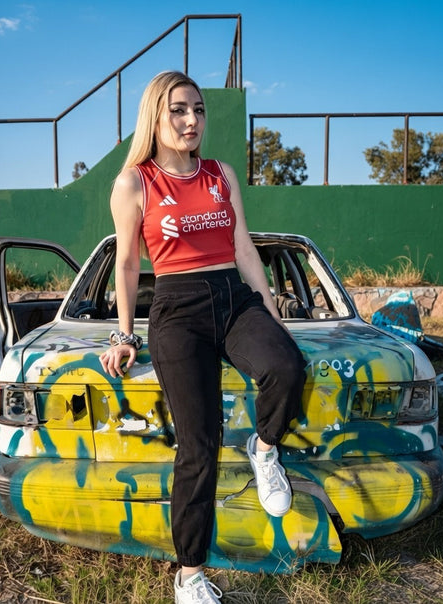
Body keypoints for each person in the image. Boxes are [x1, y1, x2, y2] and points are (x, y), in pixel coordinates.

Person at [99, 71, 306, 604]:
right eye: (178, 110)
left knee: (286, 366)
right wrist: (124, 334)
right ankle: (189, 575)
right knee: (198, 446)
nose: (192, 120)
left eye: (198, 109)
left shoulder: (220, 174)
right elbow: (127, 264)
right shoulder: (134, 184)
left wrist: (269, 310)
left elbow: (243, 247)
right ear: (155, 116)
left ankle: (264, 449)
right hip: (176, 310)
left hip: (233, 297)